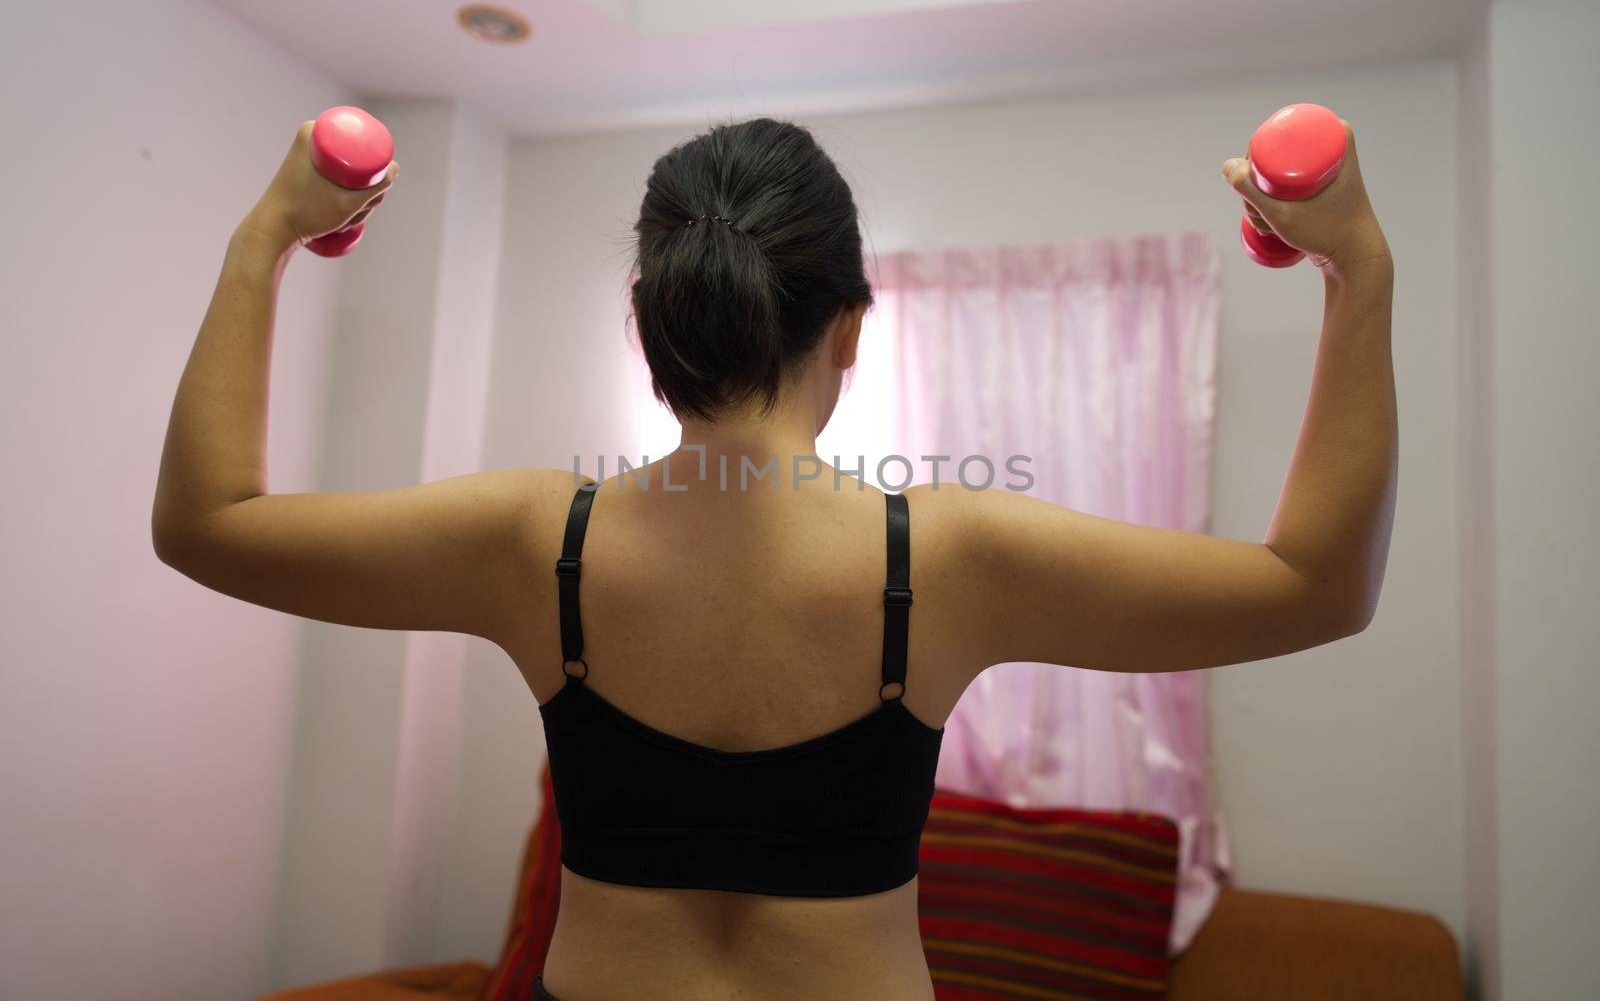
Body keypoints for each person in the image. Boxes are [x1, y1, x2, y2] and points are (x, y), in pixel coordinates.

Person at [152, 115, 1396, 1001]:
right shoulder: (953, 554)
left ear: (647, 324)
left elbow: (204, 521)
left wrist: (267, 235)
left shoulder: (538, 541)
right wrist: (1358, 271)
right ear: (849, 327)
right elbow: (1318, 584)